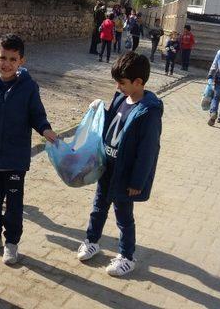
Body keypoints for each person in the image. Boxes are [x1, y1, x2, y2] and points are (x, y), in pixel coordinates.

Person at [0, 34, 58, 265]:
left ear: (21, 62)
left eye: (12, 59)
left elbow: (37, 115)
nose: (6, 63)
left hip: (15, 158)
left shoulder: (28, 87)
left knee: (14, 205)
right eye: (2, 57)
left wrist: (46, 130)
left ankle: (12, 243)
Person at [76, 52, 163, 277]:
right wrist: (99, 111)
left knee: (123, 217)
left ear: (138, 82)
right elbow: (112, 124)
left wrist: (137, 181)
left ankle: (127, 256)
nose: (118, 86)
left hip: (125, 175)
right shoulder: (120, 99)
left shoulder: (148, 112)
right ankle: (92, 241)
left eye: (122, 82)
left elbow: (147, 152)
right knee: (98, 208)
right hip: (108, 168)